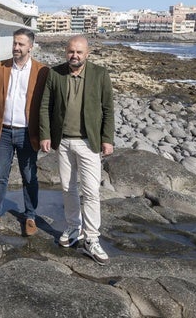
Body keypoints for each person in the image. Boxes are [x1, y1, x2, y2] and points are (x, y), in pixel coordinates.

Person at [39, 35, 115, 265]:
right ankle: (74, 229)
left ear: (87, 53)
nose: (75, 55)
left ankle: (92, 238)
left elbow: (108, 109)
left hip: (88, 142)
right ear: (66, 52)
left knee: (91, 191)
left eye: (79, 52)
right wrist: (45, 134)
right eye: (71, 51)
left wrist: (107, 139)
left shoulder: (100, 75)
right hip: (63, 142)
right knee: (67, 188)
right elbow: (45, 106)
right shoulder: (56, 73)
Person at [0, 28, 49, 236]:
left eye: (21, 44)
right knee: (0, 175)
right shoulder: (1, 67)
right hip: (4, 133)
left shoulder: (42, 70)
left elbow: (47, 105)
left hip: (28, 133)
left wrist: (46, 134)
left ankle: (30, 216)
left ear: (30, 46)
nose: (16, 47)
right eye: (14, 43)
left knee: (29, 176)